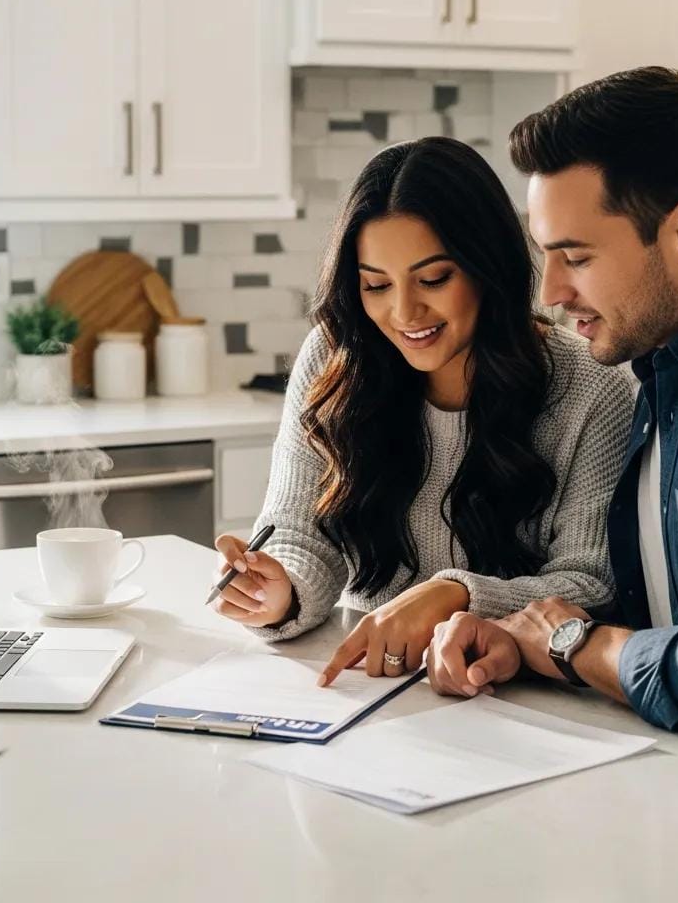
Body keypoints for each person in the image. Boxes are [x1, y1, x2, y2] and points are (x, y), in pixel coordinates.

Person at [428, 66, 678, 753]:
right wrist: (520, 642)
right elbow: (677, 610)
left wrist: (574, 645)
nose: (553, 291)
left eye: (577, 257)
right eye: (546, 257)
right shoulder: (667, 359)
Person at [209, 136, 634, 684]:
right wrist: (277, 590)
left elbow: (591, 582)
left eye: (434, 279)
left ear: (488, 268)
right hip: (366, 678)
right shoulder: (333, 358)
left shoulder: (590, 388)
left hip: (511, 691)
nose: (404, 311)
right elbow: (295, 530)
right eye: (376, 285)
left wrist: (454, 596)